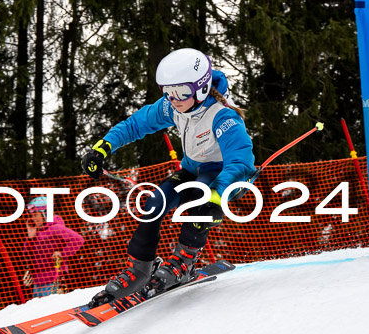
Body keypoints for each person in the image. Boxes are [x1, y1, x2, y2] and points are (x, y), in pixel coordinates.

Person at [81, 47, 255, 304]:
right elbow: (135, 124)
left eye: (181, 92)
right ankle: (141, 269)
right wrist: (102, 148)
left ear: (202, 88)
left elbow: (240, 160)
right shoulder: (173, 107)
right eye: (168, 92)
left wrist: (219, 195)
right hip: (192, 169)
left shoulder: (222, 116)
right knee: (154, 203)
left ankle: (184, 262)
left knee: (201, 204)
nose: (174, 99)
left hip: (224, 176)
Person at [22, 196, 85, 298]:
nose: (33, 218)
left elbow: (78, 239)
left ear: (45, 213)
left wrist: (62, 254)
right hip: (38, 281)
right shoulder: (35, 232)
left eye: (35, 215)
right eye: (31, 215)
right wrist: (30, 237)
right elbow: (26, 253)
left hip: (54, 278)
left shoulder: (55, 228)